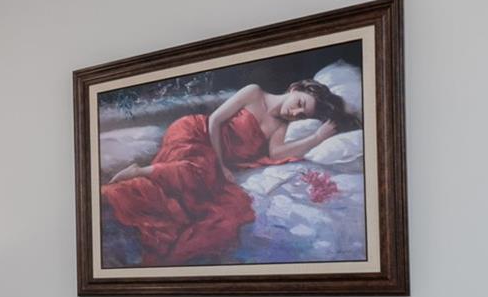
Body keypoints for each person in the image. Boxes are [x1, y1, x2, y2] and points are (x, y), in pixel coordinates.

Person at [101, 79, 348, 266]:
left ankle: (141, 175)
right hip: (196, 133)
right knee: (201, 171)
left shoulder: (280, 126)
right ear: (295, 89)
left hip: (209, 157)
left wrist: (316, 138)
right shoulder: (254, 93)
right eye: (299, 104)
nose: (294, 113)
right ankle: (139, 171)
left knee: (200, 194)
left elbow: (276, 154)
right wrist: (221, 166)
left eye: (301, 115)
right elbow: (215, 120)